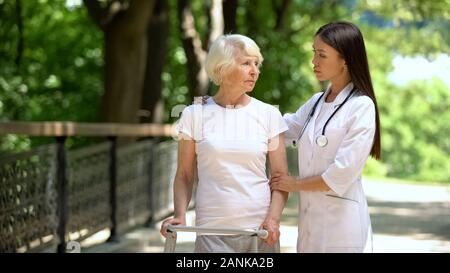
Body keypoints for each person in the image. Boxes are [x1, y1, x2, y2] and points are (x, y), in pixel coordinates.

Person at [160, 34, 289, 253]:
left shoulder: (269, 114)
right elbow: (184, 174)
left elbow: (280, 178)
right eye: (246, 63)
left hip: (260, 232)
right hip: (211, 231)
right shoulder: (194, 114)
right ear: (222, 68)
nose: (254, 71)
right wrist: (180, 215)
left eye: (256, 64)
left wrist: (273, 220)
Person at [270, 21, 381, 253]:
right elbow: (279, 128)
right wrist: (235, 111)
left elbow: (342, 173)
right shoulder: (316, 103)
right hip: (310, 227)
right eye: (314, 53)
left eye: (322, 55)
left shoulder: (361, 107)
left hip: (343, 230)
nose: (314, 61)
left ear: (345, 60)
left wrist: (295, 185)